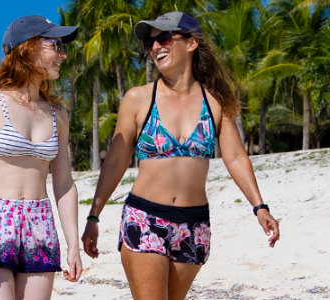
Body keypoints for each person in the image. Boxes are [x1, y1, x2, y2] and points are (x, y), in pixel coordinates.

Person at [78, 12, 281, 300]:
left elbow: (235, 157)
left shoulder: (214, 101)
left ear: (191, 43)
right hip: (145, 217)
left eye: (163, 38)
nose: (155, 47)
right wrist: (93, 216)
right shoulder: (138, 98)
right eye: (150, 43)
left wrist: (259, 207)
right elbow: (116, 160)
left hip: (194, 224)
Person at [0, 15, 82, 300]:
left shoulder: (57, 113)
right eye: (56, 45)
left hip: (40, 222)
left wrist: (72, 243)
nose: (63, 54)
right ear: (28, 48)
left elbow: (63, 183)